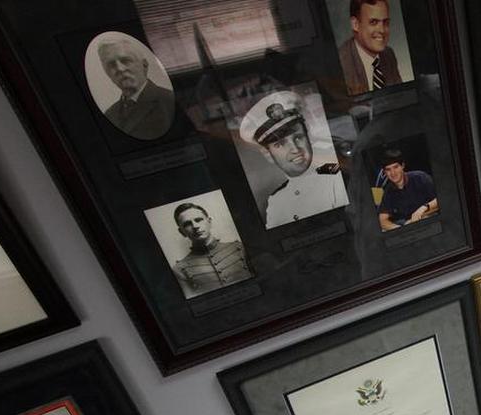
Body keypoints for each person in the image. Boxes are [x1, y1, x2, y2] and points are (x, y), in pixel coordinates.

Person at [238, 90, 349, 228]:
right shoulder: (276, 202)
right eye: (280, 144)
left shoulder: (335, 175)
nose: (295, 149)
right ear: (268, 154)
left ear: (309, 137)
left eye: (298, 137)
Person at [95, 37, 174, 140]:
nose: (120, 69)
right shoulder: (110, 114)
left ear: (144, 65)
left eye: (125, 60)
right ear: (107, 73)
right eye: (111, 65)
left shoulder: (169, 101)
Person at [170, 202, 252, 297]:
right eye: (187, 224)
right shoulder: (180, 270)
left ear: (209, 222)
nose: (195, 226)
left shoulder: (240, 248)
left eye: (198, 220)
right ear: (182, 232)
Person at [337, 0, 403, 96]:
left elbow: (400, 96)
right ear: (355, 24)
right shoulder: (341, 63)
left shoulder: (388, 54)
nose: (382, 30)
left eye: (385, 22)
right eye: (373, 22)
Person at [376, 148, 437, 231]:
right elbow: (382, 220)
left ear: (403, 166)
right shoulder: (388, 191)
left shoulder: (420, 177)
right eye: (388, 169)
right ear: (384, 172)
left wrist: (423, 209)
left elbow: (441, 199)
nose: (393, 173)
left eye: (395, 167)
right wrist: (402, 230)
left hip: (429, 219)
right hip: (406, 225)